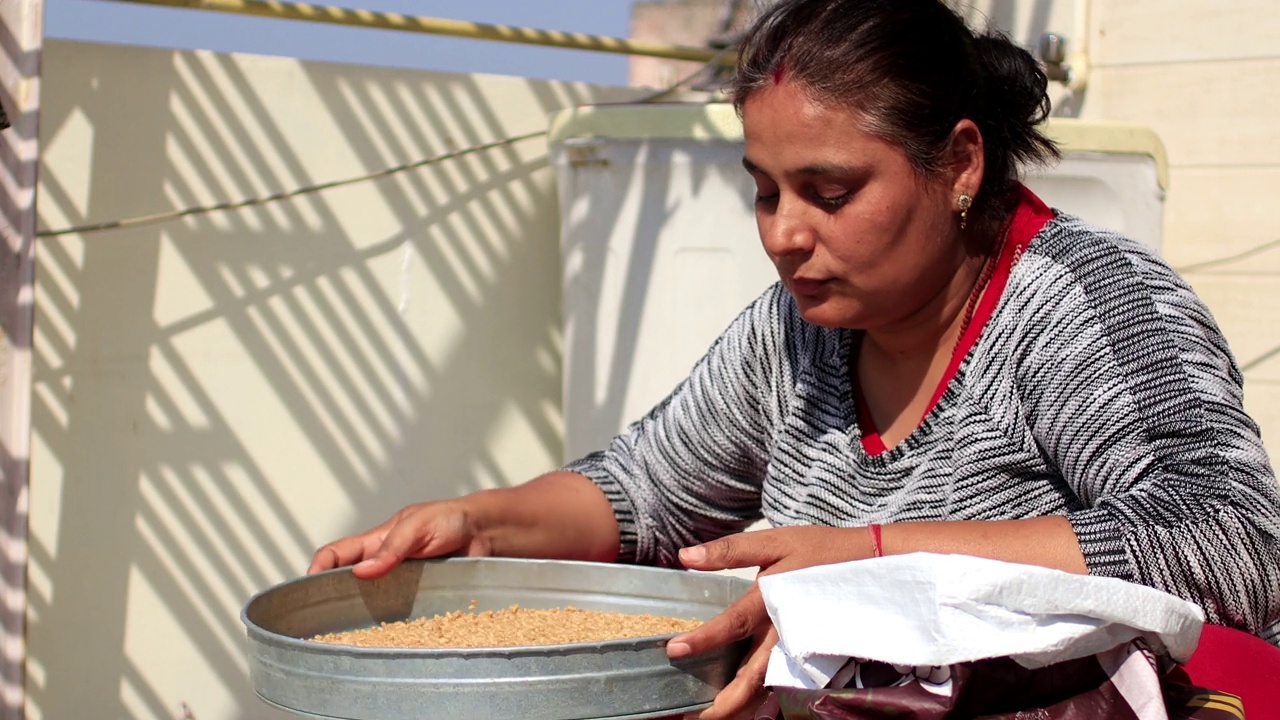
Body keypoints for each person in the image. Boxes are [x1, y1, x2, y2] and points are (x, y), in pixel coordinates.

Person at [310, 0, 1280, 717]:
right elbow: (645, 493)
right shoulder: (795, 333)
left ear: (961, 164)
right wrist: (480, 527)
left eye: (827, 190)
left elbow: (1228, 542)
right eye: (765, 192)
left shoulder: (1080, 305)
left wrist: (865, 566)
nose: (783, 234)